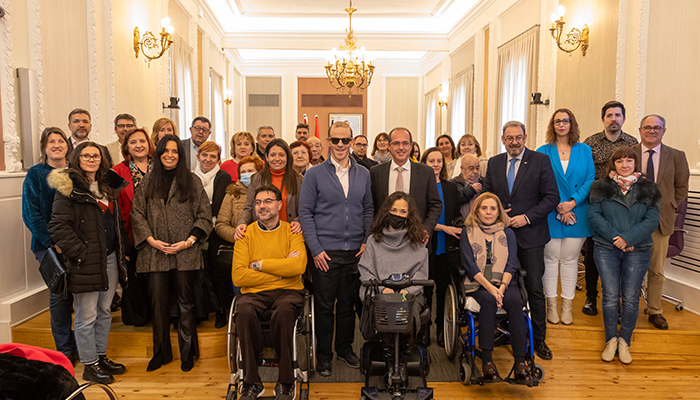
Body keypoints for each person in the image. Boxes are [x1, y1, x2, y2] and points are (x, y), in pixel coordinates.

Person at [47, 141, 128, 384]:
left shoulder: (107, 186)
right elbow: (58, 227)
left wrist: (121, 250)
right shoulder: (69, 188)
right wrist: (80, 252)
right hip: (85, 262)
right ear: (77, 159)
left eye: (96, 156)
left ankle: (100, 357)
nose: (92, 159)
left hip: (110, 258)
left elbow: (116, 223)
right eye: (86, 156)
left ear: (102, 160)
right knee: (86, 315)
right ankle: (90, 364)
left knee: (104, 311)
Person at [130, 135, 213, 372]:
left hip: (185, 252)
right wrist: (151, 240)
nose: (170, 155)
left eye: (175, 151)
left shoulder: (192, 181)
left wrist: (188, 242)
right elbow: (137, 213)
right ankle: (161, 352)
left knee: (186, 303)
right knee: (158, 305)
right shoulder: (148, 181)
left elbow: (204, 215)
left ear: (181, 155)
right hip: (155, 252)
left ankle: (188, 353)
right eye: (165, 151)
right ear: (158, 154)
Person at [299, 121, 374, 376]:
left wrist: (366, 239)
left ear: (352, 142)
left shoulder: (363, 173)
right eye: (335, 140)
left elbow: (368, 208)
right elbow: (305, 213)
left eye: (345, 140)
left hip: (355, 251)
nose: (340, 144)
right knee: (324, 307)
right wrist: (315, 249)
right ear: (328, 142)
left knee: (347, 305)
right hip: (325, 252)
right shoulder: (314, 174)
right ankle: (323, 355)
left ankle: (344, 348)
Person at [482, 121, 559, 360]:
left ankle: (539, 339)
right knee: (501, 285)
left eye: (518, 137)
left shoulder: (540, 161)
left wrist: (526, 218)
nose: (514, 142)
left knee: (534, 288)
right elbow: (486, 195)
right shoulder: (494, 163)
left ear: (525, 137)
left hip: (531, 236)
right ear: (503, 140)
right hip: (499, 238)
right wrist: (498, 214)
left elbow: (552, 197)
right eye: (509, 138)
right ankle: (507, 331)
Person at [232, 185, 307, 400]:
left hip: (288, 292)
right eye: (258, 202)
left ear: (279, 204)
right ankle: (252, 382)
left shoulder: (292, 231)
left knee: (283, 313)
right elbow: (239, 276)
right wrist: (282, 272)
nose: (262, 206)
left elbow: (298, 267)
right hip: (254, 294)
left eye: (267, 201)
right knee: (243, 312)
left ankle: (286, 382)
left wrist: (259, 264)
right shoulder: (245, 234)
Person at [588, 146, 661, 364]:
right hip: (606, 247)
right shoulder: (599, 186)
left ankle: (625, 341)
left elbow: (652, 220)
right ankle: (611, 339)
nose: (625, 164)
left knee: (630, 297)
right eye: (620, 161)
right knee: (610, 296)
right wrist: (617, 238)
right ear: (614, 164)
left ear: (635, 163)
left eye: (629, 160)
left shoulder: (650, 188)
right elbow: (594, 216)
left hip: (638, 249)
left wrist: (628, 239)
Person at [459, 192, 531, 385]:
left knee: (515, 302)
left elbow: (511, 264)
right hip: (479, 283)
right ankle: (488, 362)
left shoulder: (508, 233)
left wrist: (503, 286)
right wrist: (492, 289)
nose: (489, 212)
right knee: (489, 301)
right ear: (477, 211)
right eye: (484, 208)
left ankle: (520, 362)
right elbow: (469, 266)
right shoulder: (468, 232)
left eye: (493, 208)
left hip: (505, 283)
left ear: (499, 211)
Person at [21, 127, 76, 362]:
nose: (56, 145)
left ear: (67, 145)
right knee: (60, 295)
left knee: (80, 295)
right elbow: (31, 214)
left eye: (60, 140)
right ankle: (64, 349)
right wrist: (54, 243)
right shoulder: (35, 174)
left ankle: (81, 344)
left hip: (77, 244)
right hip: (48, 247)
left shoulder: (76, 171)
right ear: (44, 147)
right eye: (51, 141)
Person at [358, 191, 429, 370]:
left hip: (410, 293)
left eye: (403, 211)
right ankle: (390, 359)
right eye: (394, 210)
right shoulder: (373, 241)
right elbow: (365, 271)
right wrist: (383, 290)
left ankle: (401, 359)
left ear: (409, 215)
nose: (398, 214)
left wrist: (406, 291)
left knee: (406, 312)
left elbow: (421, 274)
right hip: (381, 292)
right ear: (386, 212)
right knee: (385, 311)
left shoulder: (417, 241)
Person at [536, 109, 594, 325]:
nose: (561, 124)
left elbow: (590, 179)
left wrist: (571, 203)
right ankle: (551, 306)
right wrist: (559, 206)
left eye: (565, 121)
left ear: (572, 124)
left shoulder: (584, 150)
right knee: (550, 260)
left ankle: (567, 307)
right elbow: (540, 182)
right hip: (550, 213)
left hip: (577, 212)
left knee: (570, 261)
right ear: (552, 125)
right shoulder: (543, 151)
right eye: (557, 121)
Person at [632, 114, 689, 330]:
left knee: (656, 269)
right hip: (631, 222)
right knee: (629, 268)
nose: (652, 131)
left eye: (656, 128)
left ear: (664, 131)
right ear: (640, 130)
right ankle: (626, 308)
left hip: (660, 221)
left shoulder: (676, 156)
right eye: (647, 127)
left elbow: (682, 187)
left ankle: (654, 310)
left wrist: (670, 205)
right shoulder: (629, 153)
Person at [581, 101, 638, 316]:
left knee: (621, 254)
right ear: (603, 119)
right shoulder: (590, 143)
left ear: (624, 118)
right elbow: (585, 174)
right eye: (609, 115)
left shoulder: (633, 143)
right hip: (597, 204)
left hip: (625, 207)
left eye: (617, 115)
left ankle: (617, 301)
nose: (613, 119)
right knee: (593, 253)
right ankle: (591, 296)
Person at [112, 128, 156, 327]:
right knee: (134, 276)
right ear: (126, 147)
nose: (138, 145)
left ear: (149, 144)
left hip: (159, 231)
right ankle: (139, 316)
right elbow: (114, 205)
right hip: (130, 231)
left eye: (142, 141)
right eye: (133, 142)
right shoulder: (117, 171)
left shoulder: (160, 166)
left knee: (156, 278)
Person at [420, 147, 461, 347]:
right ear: (424, 163)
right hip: (426, 246)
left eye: (439, 161)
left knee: (444, 291)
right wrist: (445, 228)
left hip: (447, 247)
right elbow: (420, 219)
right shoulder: (419, 187)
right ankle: (424, 330)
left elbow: (457, 214)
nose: (436, 164)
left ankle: (441, 329)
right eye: (431, 161)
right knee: (426, 291)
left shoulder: (451, 187)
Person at [369, 127, 442, 241]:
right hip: (383, 238)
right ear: (389, 146)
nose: (401, 147)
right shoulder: (376, 172)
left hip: (416, 238)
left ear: (411, 146)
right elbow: (371, 206)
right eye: (396, 143)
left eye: (405, 143)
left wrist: (425, 230)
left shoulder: (426, 172)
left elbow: (435, 205)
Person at [215, 156, 265, 299]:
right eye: (243, 172)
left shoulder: (268, 193)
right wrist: (238, 235)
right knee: (241, 294)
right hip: (240, 251)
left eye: (250, 171)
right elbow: (220, 224)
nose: (246, 174)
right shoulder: (232, 194)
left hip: (265, 249)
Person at [195, 141, 232, 328]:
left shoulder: (223, 176)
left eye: (213, 156)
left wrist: (203, 215)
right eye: (204, 155)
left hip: (215, 230)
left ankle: (220, 309)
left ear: (218, 159)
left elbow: (218, 204)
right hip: (193, 231)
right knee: (198, 273)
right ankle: (201, 309)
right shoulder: (191, 176)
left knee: (216, 271)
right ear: (198, 156)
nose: (208, 159)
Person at [235, 139, 303, 240]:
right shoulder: (256, 179)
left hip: (290, 234)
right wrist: (242, 223)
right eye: (273, 155)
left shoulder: (299, 181)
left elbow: (305, 209)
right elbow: (249, 207)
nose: (277, 159)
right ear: (266, 157)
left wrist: (298, 221)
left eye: (281, 155)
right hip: (262, 235)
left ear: (288, 157)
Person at [451, 154, 483, 219]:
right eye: (471, 168)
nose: (475, 171)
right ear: (462, 169)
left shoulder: (484, 182)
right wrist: (471, 190)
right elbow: (453, 201)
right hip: (460, 223)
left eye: (477, 168)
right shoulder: (453, 183)